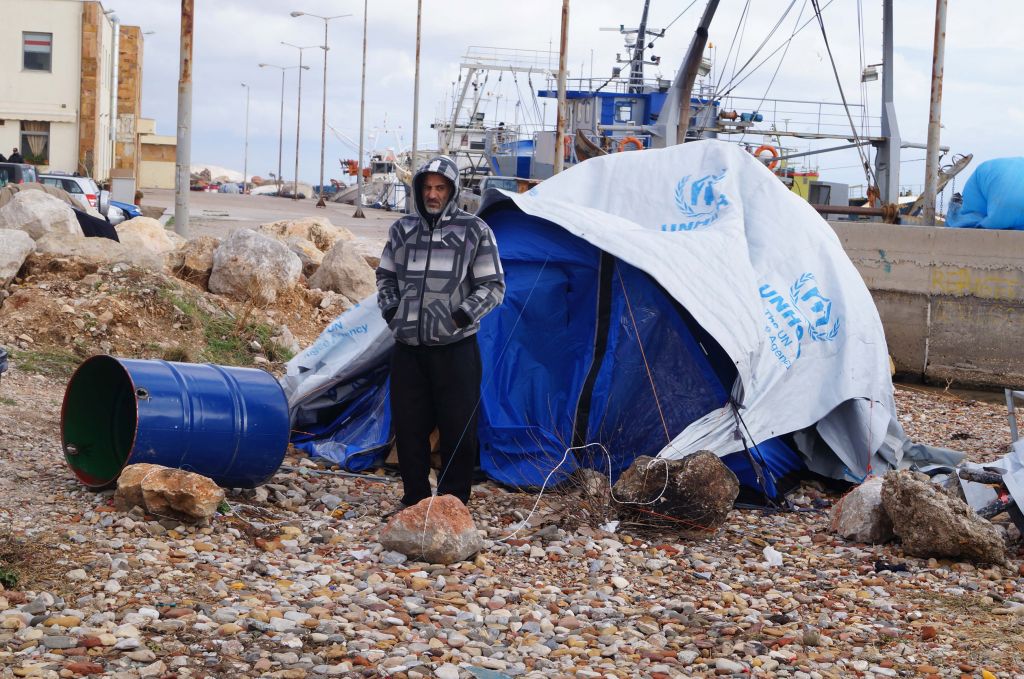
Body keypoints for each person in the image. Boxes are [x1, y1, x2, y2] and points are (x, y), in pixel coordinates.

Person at [376, 155, 505, 508]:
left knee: (458, 429)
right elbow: (385, 276)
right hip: (408, 348)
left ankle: (453, 502)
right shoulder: (401, 230)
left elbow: (492, 286)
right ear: (418, 190)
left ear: (452, 189)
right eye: (427, 187)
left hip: (456, 348)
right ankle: (415, 500)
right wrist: (392, 312)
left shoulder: (474, 231)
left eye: (440, 187)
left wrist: (460, 318)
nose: (433, 194)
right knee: (408, 428)